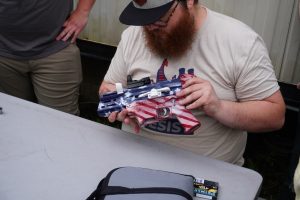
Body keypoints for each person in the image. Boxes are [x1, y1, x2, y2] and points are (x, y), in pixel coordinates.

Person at [99, 0, 286, 165]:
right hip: (132, 162)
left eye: (161, 17)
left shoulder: (240, 42)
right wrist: (118, 102)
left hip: (207, 176)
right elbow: (107, 88)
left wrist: (218, 107)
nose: (150, 27)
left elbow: (275, 115)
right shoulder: (134, 34)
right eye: (144, 18)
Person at [0, 0, 95, 115]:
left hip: (56, 48)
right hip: (4, 54)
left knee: (61, 123)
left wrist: (82, 11)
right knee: (14, 117)